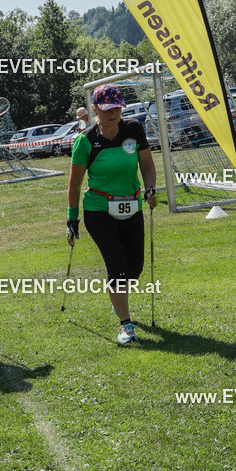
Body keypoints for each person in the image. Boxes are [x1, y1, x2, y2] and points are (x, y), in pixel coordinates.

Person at [67, 83, 156, 346]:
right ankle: (125, 326)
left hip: (132, 205)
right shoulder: (85, 141)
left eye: (117, 107)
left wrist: (150, 188)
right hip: (99, 210)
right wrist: (72, 219)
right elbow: (75, 183)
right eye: (107, 109)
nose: (113, 113)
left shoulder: (134, 130)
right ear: (95, 110)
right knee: (116, 265)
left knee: (134, 267)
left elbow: (147, 164)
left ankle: (118, 300)